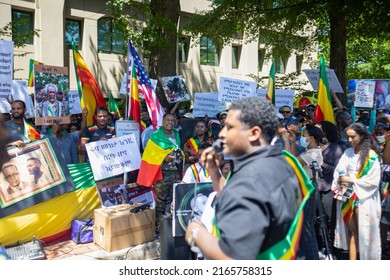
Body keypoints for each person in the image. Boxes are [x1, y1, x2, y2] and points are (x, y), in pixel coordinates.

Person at [185, 97, 301, 260]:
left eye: (230, 127)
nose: (222, 133)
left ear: (254, 133)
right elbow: (230, 197)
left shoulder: (252, 179)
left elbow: (232, 258)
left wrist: (196, 232)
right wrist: (213, 169)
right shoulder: (276, 162)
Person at [331, 122, 382, 260]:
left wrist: (351, 180)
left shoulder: (372, 157)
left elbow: (373, 181)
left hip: (364, 199)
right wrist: (341, 181)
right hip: (348, 197)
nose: (349, 140)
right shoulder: (348, 152)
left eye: (353, 137)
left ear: (362, 136)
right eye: (348, 137)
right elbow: (339, 171)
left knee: (364, 234)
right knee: (352, 232)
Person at [137, 113, 183, 232]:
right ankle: (158, 227)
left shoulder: (176, 134)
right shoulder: (156, 136)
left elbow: (178, 150)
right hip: (162, 173)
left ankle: (173, 225)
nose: (170, 122)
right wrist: (164, 158)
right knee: (160, 201)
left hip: (176, 172)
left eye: (173, 120)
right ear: (162, 121)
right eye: (168, 120)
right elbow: (150, 154)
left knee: (176, 199)